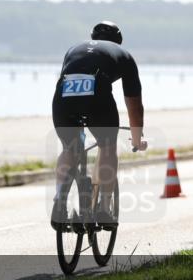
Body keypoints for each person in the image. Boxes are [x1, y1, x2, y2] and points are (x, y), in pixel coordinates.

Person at [51, 21, 147, 229]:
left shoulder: (73, 49)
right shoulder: (124, 55)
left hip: (63, 98)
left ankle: (59, 201)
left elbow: (69, 79)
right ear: (119, 41)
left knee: (70, 147)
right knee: (107, 146)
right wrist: (137, 138)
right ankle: (104, 209)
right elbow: (134, 104)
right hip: (97, 98)